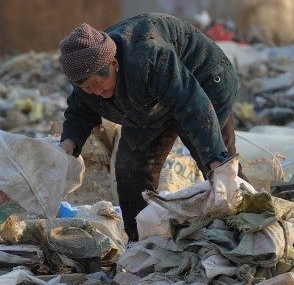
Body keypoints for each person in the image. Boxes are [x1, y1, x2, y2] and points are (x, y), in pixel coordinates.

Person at [58, 13, 243, 241]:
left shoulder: (148, 57)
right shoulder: (87, 78)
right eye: (88, 87)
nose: (97, 91)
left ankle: (246, 225)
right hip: (146, 103)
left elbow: (191, 103)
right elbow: (79, 111)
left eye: (99, 83)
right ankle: (142, 243)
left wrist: (215, 157)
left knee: (218, 167)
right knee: (131, 169)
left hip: (204, 83)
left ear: (113, 64)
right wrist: (68, 144)